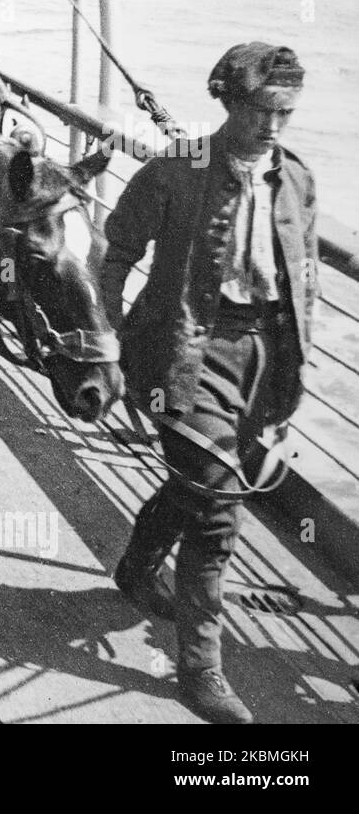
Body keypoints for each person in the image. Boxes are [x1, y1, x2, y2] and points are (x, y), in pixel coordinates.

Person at [102, 43, 319, 725]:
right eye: (260, 110)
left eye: (284, 112)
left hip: (263, 359)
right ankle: (200, 668)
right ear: (228, 101)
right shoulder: (175, 169)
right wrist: (108, 343)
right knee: (218, 508)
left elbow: (301, 280)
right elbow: (116, 254)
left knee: (202, 481)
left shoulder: (299, 181)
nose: (273, 126)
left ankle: (137, 566)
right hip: (182, 353)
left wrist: (292, 379)